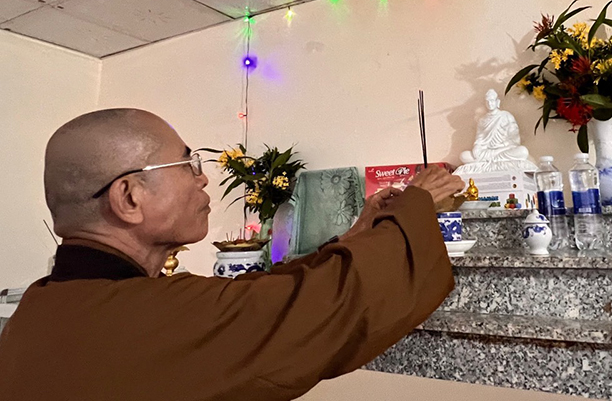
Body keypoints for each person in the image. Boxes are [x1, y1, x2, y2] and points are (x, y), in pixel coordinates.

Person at [0, 109, 465, 401]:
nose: (202, 178)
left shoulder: (42, 308)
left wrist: (355, 236)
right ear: (129, 197)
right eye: (188, 163)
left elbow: (254, 296)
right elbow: (337, 300)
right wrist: (417, 203)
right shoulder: (149, 316)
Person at [455, 89, 536, 174]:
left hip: (503, 149)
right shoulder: (482, 120)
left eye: (492, 101)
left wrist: (503, 146)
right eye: (487, 101)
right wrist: (477, 148)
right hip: (487, 152)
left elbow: (515, 139)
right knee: (464, 156)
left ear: (498, 102)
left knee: (523, 151)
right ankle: (493, 161)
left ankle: (490, 161)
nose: (490, 103)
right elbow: (479, 138)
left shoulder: (506, 116)